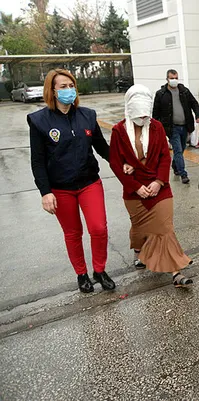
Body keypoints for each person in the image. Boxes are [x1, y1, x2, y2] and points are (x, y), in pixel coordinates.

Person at [28, 68, 115, 293]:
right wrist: (45, 192)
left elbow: (102, 147)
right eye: (63, 87)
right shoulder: (39, 121)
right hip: (60, 189)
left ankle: (99, 270)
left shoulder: (88, 116)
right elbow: (37, 161)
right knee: (73, 233)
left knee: (98, 228)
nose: (69, 90)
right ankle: (81, 274)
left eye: (71, 86)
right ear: (52, 91)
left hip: (89, 183)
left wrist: (122, 163)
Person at [109, 85, 193, 287]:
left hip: (159, 188)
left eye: (145, 115)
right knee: (140, 228)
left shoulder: (157, 127)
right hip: (134, 190)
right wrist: (136, 186)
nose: (143, 119)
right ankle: (139, 249)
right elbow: (115, 163)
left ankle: (176, 273)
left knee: (164, 228)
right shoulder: (119, 131)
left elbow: (165, 156)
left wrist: (158, 182)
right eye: (139, 116)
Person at [152, 69, 199, 184]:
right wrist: (156, 126)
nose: (174, 80)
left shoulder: (184, 91)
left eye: (176, 78)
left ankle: (175, 165)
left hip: (185, 126)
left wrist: (198, 115)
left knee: (182, 148)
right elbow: (156, 112)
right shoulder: (161, 94)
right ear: (167, 79)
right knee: (178, 150)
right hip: (171, 127)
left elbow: (194, 104)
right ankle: (183, 174)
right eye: (171, 78)